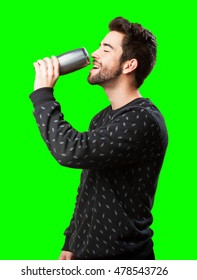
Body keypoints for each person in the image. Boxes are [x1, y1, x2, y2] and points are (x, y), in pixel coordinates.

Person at [30, 17, 168, 260]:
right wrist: (71, 241)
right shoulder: (102, 118)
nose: (95, 53)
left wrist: (43, 95)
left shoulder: (143, 120)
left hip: (121, 259)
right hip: (85, 254)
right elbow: (88, 186)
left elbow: (71, 151)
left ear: (129, 65)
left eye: (106, 49)